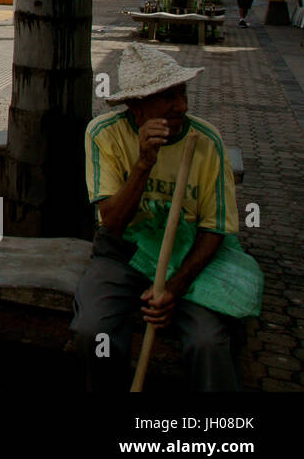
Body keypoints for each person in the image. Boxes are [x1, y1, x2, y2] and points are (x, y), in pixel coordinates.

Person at [71, 43, 259, 391]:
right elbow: (111, 223)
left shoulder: (206, 141)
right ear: (136, 106)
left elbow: (215, 228)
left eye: (183, 93)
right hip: (123, 251)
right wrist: (143, 164)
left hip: (188, 256)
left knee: (208, 342)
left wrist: (175, 288)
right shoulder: (104, 134)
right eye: (168, 97)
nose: (182, 106)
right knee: (93, 333)